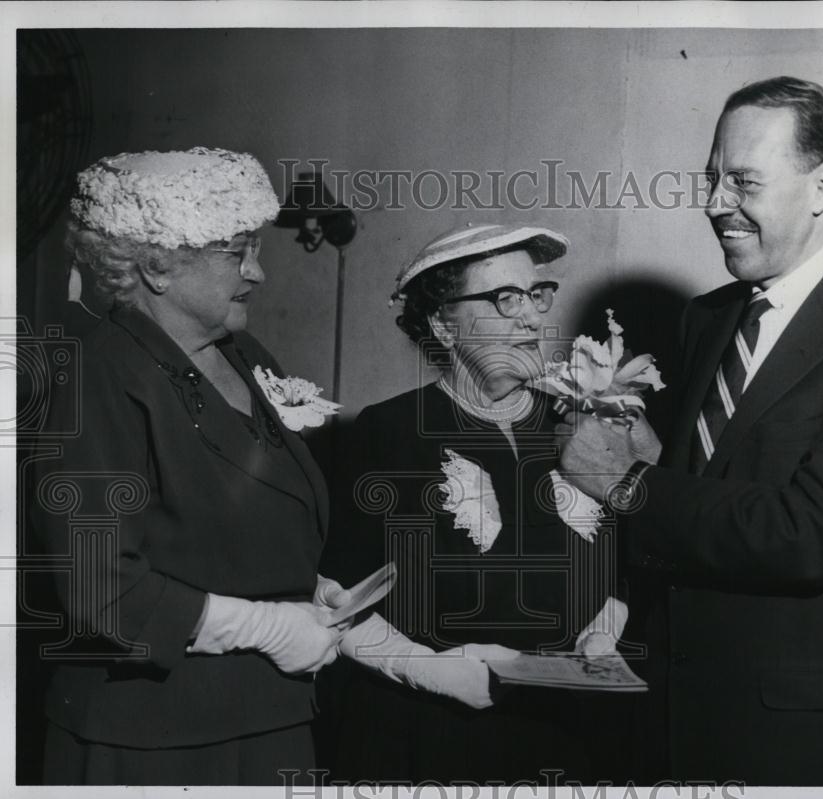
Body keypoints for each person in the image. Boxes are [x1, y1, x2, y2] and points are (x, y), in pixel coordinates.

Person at [557, 77, 823, 786]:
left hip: (806, 742)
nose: (715, 204)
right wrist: (646, 454)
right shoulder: (707, 319)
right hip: (673, 723)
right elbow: (712, 489)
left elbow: (818, 533)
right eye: (711, 180)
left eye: (743, 181)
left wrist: (625, 481)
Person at [30, 147, 351, 785]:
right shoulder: (97, 376)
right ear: (157, 267)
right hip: (153, 735)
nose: (258, 273)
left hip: (271, 713)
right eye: (237, 253)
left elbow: (231, 515)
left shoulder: (244, 354)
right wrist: (265, 626)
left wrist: (301, 588)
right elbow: (99, 586)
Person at [317, 224, 638, 784]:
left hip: (559, 734)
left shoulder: (576, 424)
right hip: (425, 739)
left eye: (536, 294)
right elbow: (338, 602)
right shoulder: (388, 432)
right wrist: (425, 669)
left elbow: (623, 566)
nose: (532, 317)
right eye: (504, 298)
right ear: (443, 325)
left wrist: (602, 632)